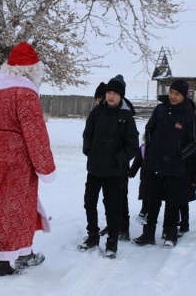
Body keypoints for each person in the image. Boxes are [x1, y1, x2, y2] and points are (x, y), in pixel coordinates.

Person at [0, 42, 56, 277]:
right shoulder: (24, 92)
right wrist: (46, 167)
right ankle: (2, 262)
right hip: (17, 155)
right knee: (12, 206)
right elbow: (35, 132)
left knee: (18, 204)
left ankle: (24, 252)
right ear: (32, 69)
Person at [132, 79, 196, 247]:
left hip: (175, 167)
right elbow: (149, 128)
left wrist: (180, 155)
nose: (173, 96)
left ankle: (170, 234)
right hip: (155, 163)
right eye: (171, 92)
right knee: (152, 200)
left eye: (177, 94)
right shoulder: (160, 109)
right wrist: (150, 145)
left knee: (172, 202)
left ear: (184, 96)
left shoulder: (189, 115)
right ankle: (148, 234)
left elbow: (195, 141)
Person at [78, 74, 139, 258]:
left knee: (112, 207)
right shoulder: (97, 112)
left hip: (115, 172)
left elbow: (133, 146)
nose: (110, 96)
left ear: (121, 96)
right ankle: (92, 236)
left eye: (114, 93)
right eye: (108, 92)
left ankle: (112, 241)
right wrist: (89, 151)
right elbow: (87, 134)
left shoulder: (126, 117)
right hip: (95, 168)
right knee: (89, 202)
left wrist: (117, 160)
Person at [162, 151, 196, 238]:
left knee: (183, 204)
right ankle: (171, 227)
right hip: (176, 181)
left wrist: (194, 180)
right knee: (173, 204)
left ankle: (184, 225)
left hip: (186, 182)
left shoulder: (192, 153)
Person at [128, 134, 150, 223]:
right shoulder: (143, 147)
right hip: (146, 175)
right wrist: (131, 172)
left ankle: (149, 212)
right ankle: (144, 210)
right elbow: (137, 161)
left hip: (158, 174)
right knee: (145, 193)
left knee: (155, 195)